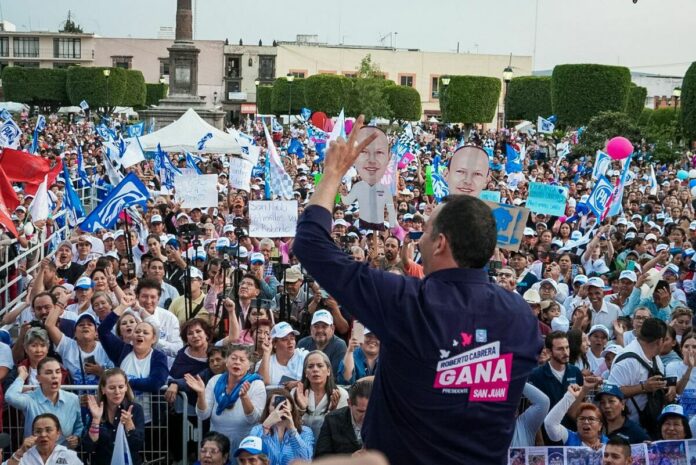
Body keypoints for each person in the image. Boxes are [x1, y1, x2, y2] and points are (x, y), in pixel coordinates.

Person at [292, 116, 541, 465]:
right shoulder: (521, 319)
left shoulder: (408, 302)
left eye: (424, 232)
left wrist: (333, 172)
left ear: (439, 243)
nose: (418, 239)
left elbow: (310, 244)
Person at [189, 344, 266, 449]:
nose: (237, 362)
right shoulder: (215, 380)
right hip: (217, 443)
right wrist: (201, 394)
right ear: (226, 362)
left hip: (244, 443)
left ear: (249, 366)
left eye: (242, 360)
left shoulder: (256, 384)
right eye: (233, 358)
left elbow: (254, 419)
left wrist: (244, 397)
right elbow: (203, 415)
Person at [608, 318, 672, 437]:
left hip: (651, 427)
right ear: (659, 341)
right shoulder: (626, 360)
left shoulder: (656, 358)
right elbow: (611, 393)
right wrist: (643, 387)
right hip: (626, 431)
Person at [5, 357, 83, 447]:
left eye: (58, 372)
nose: (54, 376)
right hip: (35, 455)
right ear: (38, 378)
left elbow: (79, 425)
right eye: (48, 373)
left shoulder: (73, 399)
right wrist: (21, 377)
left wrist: (77, 437)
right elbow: (10, 396)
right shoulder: (30, 399)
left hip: (63, 456)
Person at [83, 368, 145, 465]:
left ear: (126, 387)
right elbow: (88, 447)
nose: (117, 392)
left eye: (121, 387)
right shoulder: (95, 409)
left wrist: (129, 426)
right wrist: (95, 420)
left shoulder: (135, 409)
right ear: (103, 389)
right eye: (112, 388)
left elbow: (137, 446)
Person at [341, 127, 397, 228]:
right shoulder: (358, 187)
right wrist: (341, 192)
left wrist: (391, 226)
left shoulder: (386, 189)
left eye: (379, 153)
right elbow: (346, 203)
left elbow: (392, 217)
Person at [249, 389, 314, 465]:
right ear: (268, 408)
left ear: (291, 407)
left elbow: (306, 460)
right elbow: (253, 459)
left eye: (284, 404)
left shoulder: (305, 431)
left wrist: (292, 430)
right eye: (275, 404)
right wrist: (266, 429)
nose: (279, 408)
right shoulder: (257, 430)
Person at [292, 350, 348, 438]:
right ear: (305, 373)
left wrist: (332, 412)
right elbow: (290, 427)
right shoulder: (296, 393)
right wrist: (301, 410)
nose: (315, 369)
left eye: (320, 366)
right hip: (300, 444)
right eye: (310, 366)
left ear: (328, 371)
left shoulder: (341, 394)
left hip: (328, 447)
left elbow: (343, 431)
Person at [315, 380, 373, 457]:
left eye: (371, 411)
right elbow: (320, 458)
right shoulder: (332, 420)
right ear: (349, 403)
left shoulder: (385, 421)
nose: (366, 416)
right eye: (361, 411)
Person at [544, 384, 608, 448]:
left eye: (591, 419)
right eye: (582, 418)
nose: (586, 422)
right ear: (577, 423)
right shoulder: (569, 437)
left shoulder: (609, 443)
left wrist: (604, 449)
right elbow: (550, 423)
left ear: (600, 425)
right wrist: (570, 396)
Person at [4, 413, 83, 465]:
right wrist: (20, 452)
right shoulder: (24, 456)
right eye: (38, 431)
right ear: (32, 434)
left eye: (48, 430)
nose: (43, 435)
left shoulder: (68, 455)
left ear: (58, 433)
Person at [297, 310, 347, 379]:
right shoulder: (302, 343)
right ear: (311, 328)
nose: (320, 330)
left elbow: (334, 376)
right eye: (316, 326)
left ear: (332, 328)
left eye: (324, 326)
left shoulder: (339, 345)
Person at [257, 322, 308, 387]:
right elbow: (262, 384)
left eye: (292, 338)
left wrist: (297, 383)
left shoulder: (304, 356)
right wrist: (266, 352)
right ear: (274, 343)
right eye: (285, 339)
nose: (290, 342)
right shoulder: (264, 362)